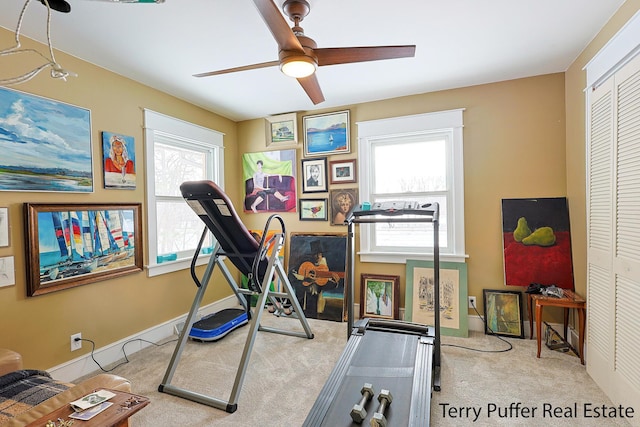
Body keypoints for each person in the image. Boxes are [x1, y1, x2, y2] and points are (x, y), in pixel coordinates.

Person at [288, 240, 340, 318]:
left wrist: (334, 282)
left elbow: (325, 284)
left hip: (313, 304)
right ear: (312, 255)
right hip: (299, 301)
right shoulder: (304, 263)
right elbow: (290, 276)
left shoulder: (323, 268)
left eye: (320, 254)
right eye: (316, 254)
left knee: (311, 319)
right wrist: (304, 278)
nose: (318, 256)